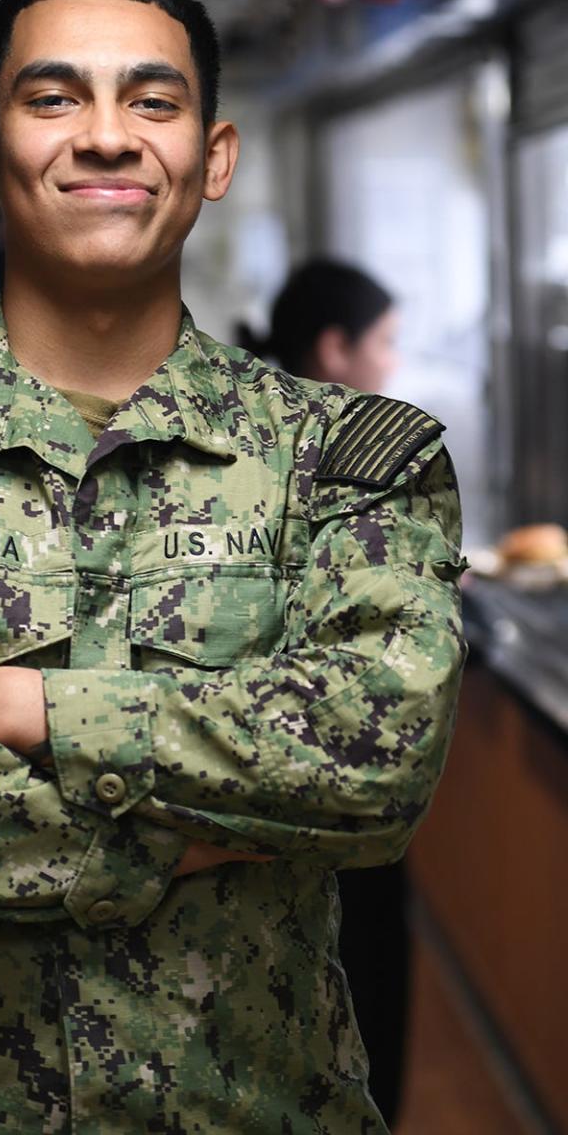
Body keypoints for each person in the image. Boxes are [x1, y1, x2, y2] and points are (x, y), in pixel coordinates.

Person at [0, 0, 466, 1134]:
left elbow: (373, 767)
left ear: (212, 157)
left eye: (154, 101)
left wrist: (12, 707)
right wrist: (183, 836)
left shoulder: (349, 460)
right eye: (54, 97)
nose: (108, 137)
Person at [238, 258, 411, 1130]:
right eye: (383, 343)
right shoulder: (334, 460)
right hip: (320, 798)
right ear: (335, 349)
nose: (391, 362)